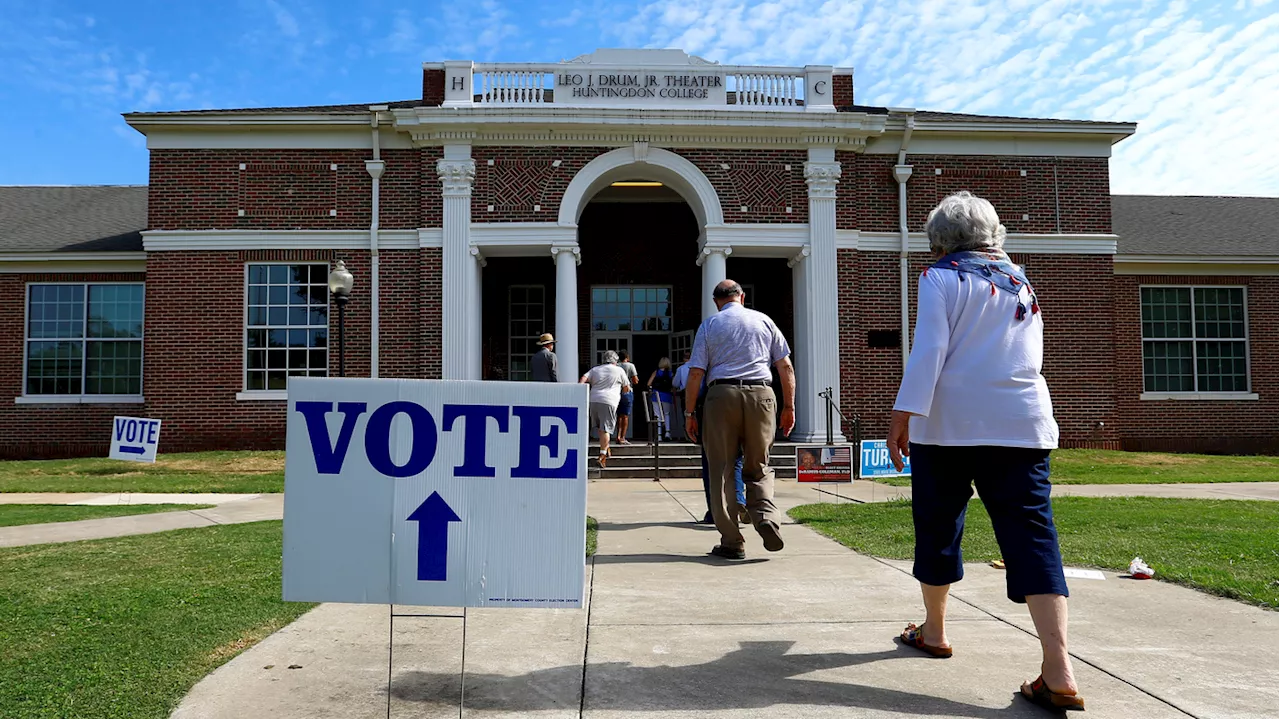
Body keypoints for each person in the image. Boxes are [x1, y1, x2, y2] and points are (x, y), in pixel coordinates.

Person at [887, 191, 1081, 712]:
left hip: (946, 426)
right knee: (1032, 537)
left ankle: (934, 630)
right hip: (1021, 423)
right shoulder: (1022, 282)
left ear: (938, 239)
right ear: (994, 233)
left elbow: (930, 349)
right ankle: (1058, 668)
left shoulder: (939, 278)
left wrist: (902, 414)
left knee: (938, 526)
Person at [684, 280, 795, 560]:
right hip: (761, 394)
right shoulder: (764, 321)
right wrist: (789, 406)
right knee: (759, 464)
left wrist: (688, 413)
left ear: (716, 301)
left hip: (721, 395)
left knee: (721, 469)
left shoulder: (710, 325)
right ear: (741, 297)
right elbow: (785, 366)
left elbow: (696, 372)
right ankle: (765, 516)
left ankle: (732, 541)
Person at [579, 351, 630, 468]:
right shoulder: (619, 370)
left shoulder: (595, 369)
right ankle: (602, 456)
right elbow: (626, 387)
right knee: (606, 429)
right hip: (609, 401)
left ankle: (606, 447)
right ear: (615, 360)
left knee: (601, 428)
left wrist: (580, 390)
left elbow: (583, 378)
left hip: (593, 400)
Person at [646, 358, 676, 441]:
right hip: (666, 395)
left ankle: (658, 435)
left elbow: (649, 383)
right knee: (667, 414)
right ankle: (667, 433)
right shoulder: (670, 374)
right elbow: (674, 385)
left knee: (658, 415)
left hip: (656, 395)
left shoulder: (656, 372)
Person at [615, 351, 639, 444]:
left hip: (617, 391)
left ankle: (618, 435)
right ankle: (623, 437)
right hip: (627, 391)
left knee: (618, 416)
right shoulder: (630, 366)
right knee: (625, 416)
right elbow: (635, 380)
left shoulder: (616, 366)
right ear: (627, 357)